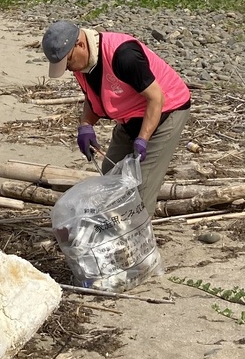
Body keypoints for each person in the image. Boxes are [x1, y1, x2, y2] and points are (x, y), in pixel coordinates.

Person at [42, 20, 192, 216]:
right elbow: (93, 97)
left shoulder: (123, 55)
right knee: (110, 171)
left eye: (68, 62)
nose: (68, 69)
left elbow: (156, 98)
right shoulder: (82, 64)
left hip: (167, 110)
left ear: (80, 44)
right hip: (130, 115)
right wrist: (85, 125)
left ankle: (136, 237)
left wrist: (142, 139)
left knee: (142, 183)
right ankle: (115, 221)